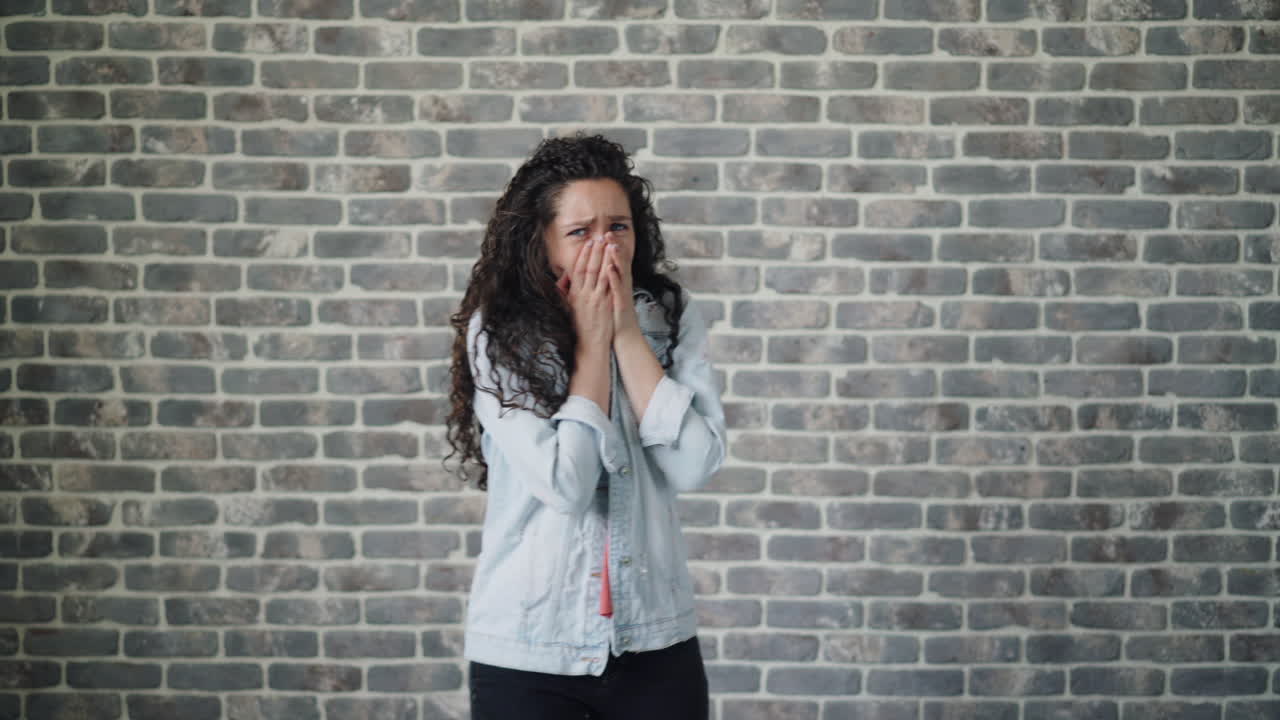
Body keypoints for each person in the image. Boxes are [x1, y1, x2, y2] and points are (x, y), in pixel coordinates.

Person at [445, 133, 727, 720]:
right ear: (541, 242)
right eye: (580, 232)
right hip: (530, 649)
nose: (605, 247)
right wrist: (593, 346)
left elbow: (693, 464)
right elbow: (566, 485)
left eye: (618, 227)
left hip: (657, 642)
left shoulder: (669, 315)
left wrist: (625, 333)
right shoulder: (499, 331)